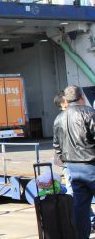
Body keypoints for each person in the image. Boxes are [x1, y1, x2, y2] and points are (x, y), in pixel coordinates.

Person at [53, 85, 95, 239]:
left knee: (80, 207)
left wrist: (66, 161)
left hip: (73, 168)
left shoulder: (59, 119)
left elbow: (57, 145)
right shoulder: (89, 113)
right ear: (81, 97)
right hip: (91, 165)